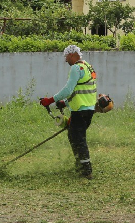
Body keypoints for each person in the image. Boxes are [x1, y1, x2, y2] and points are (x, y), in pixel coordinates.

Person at [40, 45, 97, 179]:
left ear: (72, 54)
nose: (66, 60)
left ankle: (86, 171)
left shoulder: (76, 68)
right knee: (74, 136)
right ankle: (80, 165)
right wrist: (64, 103)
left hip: (80, 110)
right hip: (88, 109)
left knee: (78, 139)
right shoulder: (88, 66)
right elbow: (82, 90)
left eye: (66, 57)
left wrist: (51, 100)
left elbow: (68, 90)